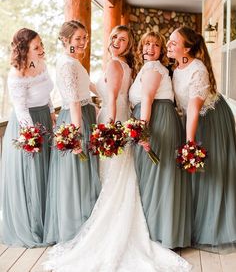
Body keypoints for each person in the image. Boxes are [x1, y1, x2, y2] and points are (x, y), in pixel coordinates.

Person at [43, 25, 191, 272]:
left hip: (113, 120)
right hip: (122, 118)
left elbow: (111, 99)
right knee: (118, 176)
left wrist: (108, 128)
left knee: (109, 177)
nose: (116, 42)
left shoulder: (116, 65)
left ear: (129, 44)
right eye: (114, 37)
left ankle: (106, 226)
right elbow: (102, 89)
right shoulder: (125, 66)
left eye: (123, 39)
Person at [167, 26, 236, 252]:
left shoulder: (197, 68)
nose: (169, 44)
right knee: (198, 176)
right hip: (194, 119)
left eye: (174, 42)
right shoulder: (176, 68)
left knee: (212, 172)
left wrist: (189, 143)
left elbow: (194, 109)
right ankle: (197, 225)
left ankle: (216, 229)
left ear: (186, 48)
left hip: (212, 119)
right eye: (169, 40)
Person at [129, 30, 191, 249]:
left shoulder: (154, 68)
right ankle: (157, 230)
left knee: (157, 176)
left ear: (161, 50)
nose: (150, 49)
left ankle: (157, 233)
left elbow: (147, 98)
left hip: (157, 121)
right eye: (146, 44)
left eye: (156, 45)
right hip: (155, 118)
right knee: (153, 176)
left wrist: (143, 131)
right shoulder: (147, 68)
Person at [43, 20, 101, 244]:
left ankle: (86, 223)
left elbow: (87, 87)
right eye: (78, 38)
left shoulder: (74, 62)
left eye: (85, 38)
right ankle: (77, 228)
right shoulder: (67, 64)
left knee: (83, 172)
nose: (83, 42)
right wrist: (76, 134)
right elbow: (74, 102)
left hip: (84, 115)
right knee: (77, 173)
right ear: (66, 40)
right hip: (77, 120)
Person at [1, 28, 55, 247]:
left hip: (45, 118)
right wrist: (31, 135)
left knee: (46, 171)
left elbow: (48, 92)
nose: (42, 49)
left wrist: (52, 113)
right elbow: (21, 109)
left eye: (41, 44)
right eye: (36, 47)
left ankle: (48, 220)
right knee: (32, 173)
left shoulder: (40, 64)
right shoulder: (16, 75)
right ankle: (33, 226)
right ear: (24, 50)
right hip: (27, 125)